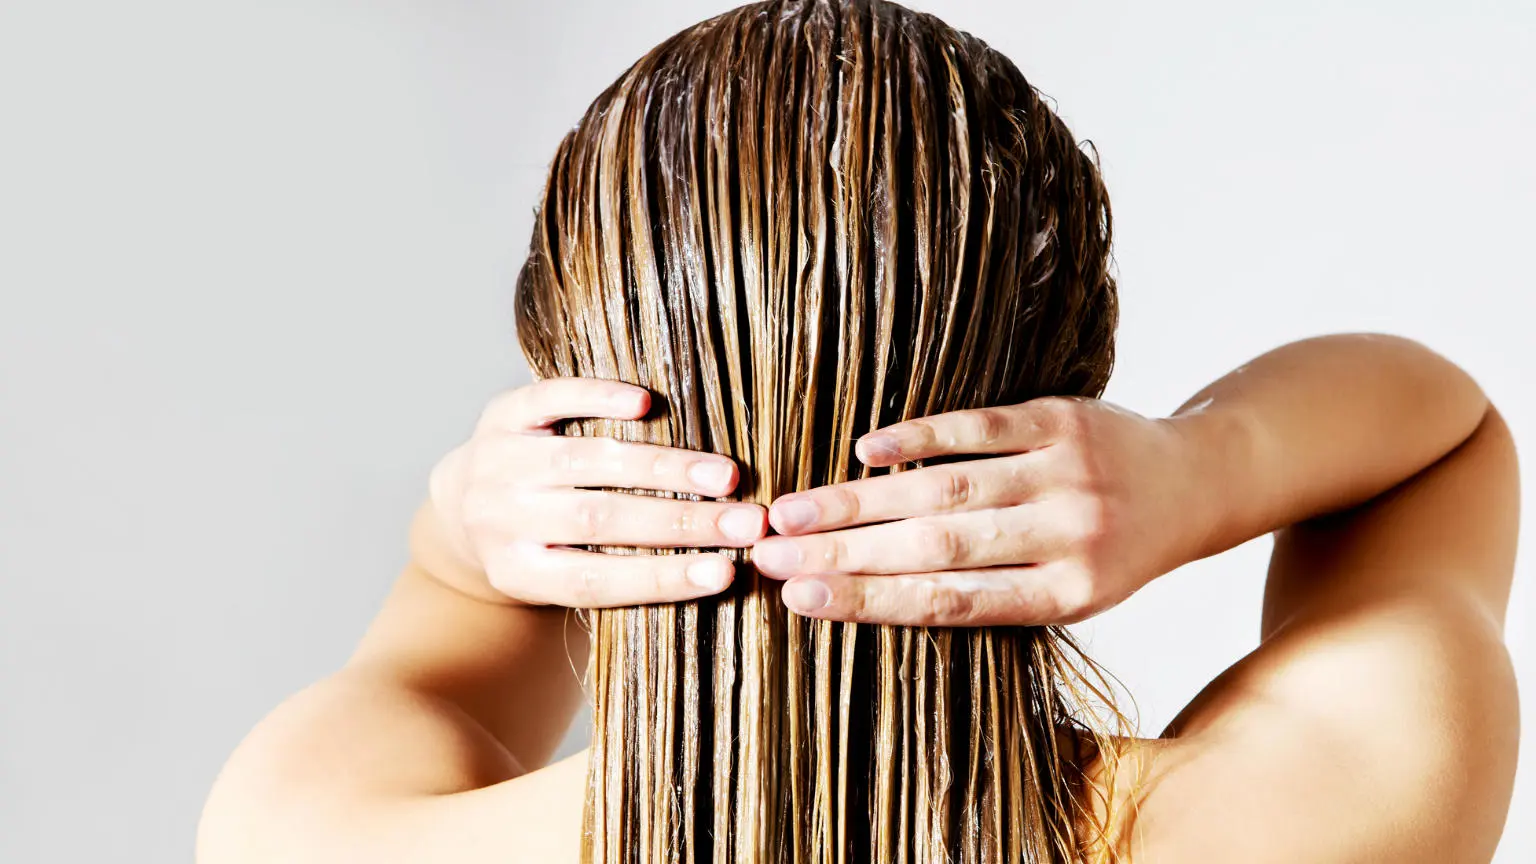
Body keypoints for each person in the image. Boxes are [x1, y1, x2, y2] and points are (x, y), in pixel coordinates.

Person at [195, 1, 1520, 861]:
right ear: (1060, 403)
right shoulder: (1322, 816)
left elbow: (435, 648)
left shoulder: (316, 833)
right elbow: (1444, 436)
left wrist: (460, 531)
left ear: (571, 434)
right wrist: (1200, 467)